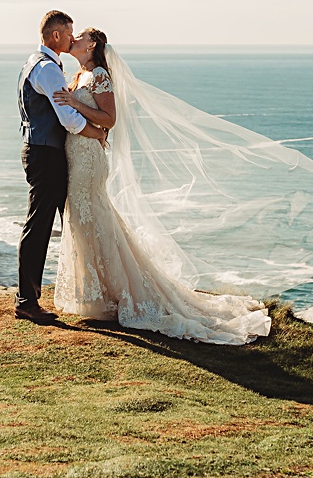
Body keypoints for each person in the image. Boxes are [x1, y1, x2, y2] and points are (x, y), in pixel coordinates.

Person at [49, 27, 274, 344]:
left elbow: (109, 119)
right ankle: (95, 293)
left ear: (93, 44)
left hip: (89, 162)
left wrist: (76, 104)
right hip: (77, 156)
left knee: (92, 219)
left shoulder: (99, 74)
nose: (73, 41)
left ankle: (116, 293)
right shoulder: (80, 73)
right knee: (84, 220)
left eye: (79, 37)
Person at [14, 10, 109, 324]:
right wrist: (96, 132)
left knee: (70, 223)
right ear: (56, 36)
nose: (72, 38)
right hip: (46, 155)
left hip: (39, 151)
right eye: (69, 33)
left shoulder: (34, 63)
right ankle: (27, 301)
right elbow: (68, 119)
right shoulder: (49, 70)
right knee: (40, 225)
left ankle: (86, 289)